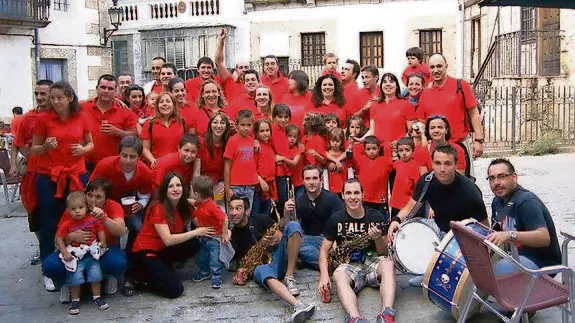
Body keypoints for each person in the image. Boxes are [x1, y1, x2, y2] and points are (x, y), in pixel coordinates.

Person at [387, 144, 488, 287]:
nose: (442, 169)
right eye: (437, 163)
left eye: (447, 163)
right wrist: (395, 220)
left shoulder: (470, 193)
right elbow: (410, 207)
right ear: (432, 163)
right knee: (413, 230)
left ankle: (441, 274)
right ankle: (427, 272)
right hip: (439, 228)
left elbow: (484, 228)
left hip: (461, 238)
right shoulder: (426, 181)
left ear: (456, 164)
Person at [31, 81, 94, 290]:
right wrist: (46, 146)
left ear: (70, 98)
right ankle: (48, 268)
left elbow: (90, 143)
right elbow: (35, 149)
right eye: (53, 98)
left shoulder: (81, 117)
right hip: (49, 176)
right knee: (50, 223)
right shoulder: (43, 119)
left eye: (59, 97)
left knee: (80, 218)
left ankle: (81, 261)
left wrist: (84, 151)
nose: (55, 101)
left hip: (76, 174)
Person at [318, 178, 398, 323]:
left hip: (372, 261)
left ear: (363, 195)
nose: (352, 197)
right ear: (342, 195)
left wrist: (378, 238)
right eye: (348, 193)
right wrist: (324, 275)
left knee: (388, 264)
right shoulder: (335, 219)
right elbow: (324, 250)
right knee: (338, 274)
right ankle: (354, 318)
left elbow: (383, 253)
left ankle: (387, 313)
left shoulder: (376, 216)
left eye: (356, 193)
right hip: (350, 266)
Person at [228, 195, 316, 322]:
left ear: (247, 211)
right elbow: (240, 264)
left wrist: (276, 239)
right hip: (266, 267)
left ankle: (289, 276)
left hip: (279, 254)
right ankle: (299, 305)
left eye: (238, 208)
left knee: (293, 225)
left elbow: (280, 234)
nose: (233, 213)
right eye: (231, 209)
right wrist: (241, 273)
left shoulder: (260, 219)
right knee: (261, 272)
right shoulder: (233, 236)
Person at [42, 177, 129, 303]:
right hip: (74, 250)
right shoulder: (75, 207)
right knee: (50, 266)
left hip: (101, 250)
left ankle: (108, 276)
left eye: (98, 197)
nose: (92, 200)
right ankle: (65, 283)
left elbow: (122, 230)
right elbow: (57, 239)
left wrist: (104, 218)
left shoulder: (113, 206)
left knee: (118, 262)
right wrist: (71, 237)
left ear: (106, 199)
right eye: (90, 195)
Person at [128, 172, 212, 298]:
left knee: (193, 244)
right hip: (147, 251)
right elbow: (168, 240)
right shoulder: (158, 207)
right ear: (165, 190)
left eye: (178, 185)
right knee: (175, 290)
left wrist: (223, 229)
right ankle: (140, 278)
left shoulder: (184, 206)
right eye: (171, 186)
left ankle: (163, 267)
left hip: (163, 249)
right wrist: (196, 232)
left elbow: (202, 224)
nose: (175, 189)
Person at [486, 158, 561, 275]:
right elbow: (496, 235)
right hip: (516, 256)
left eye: (502, 176)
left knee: (492, 272)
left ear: (514, 177)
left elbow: (544, 238)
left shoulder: (526, 202)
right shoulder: (497, 201)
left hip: (541, 264)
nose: (496, 183)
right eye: (492, 178)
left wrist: (509, 235)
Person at [10, 79, 53, 267]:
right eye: (37, 94)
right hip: (33, 173)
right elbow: (15, 145)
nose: (40, 97)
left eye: (44, 93)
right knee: (35, 214)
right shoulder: (27, 118)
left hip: (56, 172)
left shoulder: (62, 115)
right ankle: (42, 247)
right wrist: (13, 165)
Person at [417, 53, 484, 174]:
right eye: (432, 67)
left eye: (439, 66)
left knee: (464, 184)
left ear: (446, 66)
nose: (436, 70)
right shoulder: (425, 92)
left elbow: (474, 113)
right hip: (435, 148)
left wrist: (478, 140)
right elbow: (422, 121)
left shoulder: (460, 85)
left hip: (460, 144)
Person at [283, 164, 344, 294]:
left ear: (321, 180)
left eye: (315, 178)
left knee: (302, 252)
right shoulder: (299, 201)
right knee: (297, 247)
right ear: (303, 181)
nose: (311, 182)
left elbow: (341, 223)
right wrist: (286, 212)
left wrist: (335, 242)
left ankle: (313, 261)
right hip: (308, 241)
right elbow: (290, 229)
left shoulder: (332, 198)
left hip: (328, 239)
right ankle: (327, 263)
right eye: (308, 179)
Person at [89, 136, 154, 254]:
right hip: (106, 202)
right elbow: (90, 189)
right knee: (112, 231)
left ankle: (131, 256)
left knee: (138, 227)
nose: (127, 160)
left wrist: (141, 204)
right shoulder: (104, 165)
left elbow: (146, 192)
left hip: (128, 203)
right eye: (124, 155)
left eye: (132, 156)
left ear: (139, 157)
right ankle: (113, 255)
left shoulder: (145, 171)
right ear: (119, 154)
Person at [54, 191, 109, 315]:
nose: (77, 211)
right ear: (68, 210)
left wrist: (103, 241)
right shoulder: (66, 224)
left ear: (87, 207)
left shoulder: (93, 220)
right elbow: (59, 238)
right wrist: (64, 252)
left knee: (95, 275)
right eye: (73, 209)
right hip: (75, 256)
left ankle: (97, 297)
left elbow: (100, 230)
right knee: (75, 278)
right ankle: (75, 300)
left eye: (80, 207)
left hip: (91, 254)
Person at [81, 74, 138, 172]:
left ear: (115, 91)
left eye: (110, 88)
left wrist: (118, 132)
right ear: (97, 89)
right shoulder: (83, 108)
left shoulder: (125, 111)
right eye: (103, 87)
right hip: (86, 165)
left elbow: (135, 135)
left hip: (114, 165)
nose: (106, 91)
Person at [361, 72, 416, 160]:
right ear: (381, 86)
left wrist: (400, 142)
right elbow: (372, 130)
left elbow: (411, 131)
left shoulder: (406, 104)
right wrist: (361, 140)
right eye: (385, 82)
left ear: (397, 86)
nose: (388, 84)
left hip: (398, 151)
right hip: (378, 151)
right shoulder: (375, 105)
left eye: (391, 82)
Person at [191, 176, 229, 289]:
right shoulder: (200, 203)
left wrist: (224, 233)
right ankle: (204, 272)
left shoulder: (212, 206)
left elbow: (224, 218)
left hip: (214, 238)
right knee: (202, 257)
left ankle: (216, 277)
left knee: (215, 260)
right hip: (204, 237)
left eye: (193, 192)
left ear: (197, 194)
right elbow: (193, 202)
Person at [347, 136, 393, 221]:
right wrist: (359, 141)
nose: (371, 151)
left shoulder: (385, 161)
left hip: (380, 200)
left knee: (382, 223)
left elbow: (387, 145)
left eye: (374, 148)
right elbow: (350, 153)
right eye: (368, 149)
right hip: (365, 199)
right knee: (365, 222)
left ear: (379, 148)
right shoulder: (360, 159)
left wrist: (381, 142)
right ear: (364, 150)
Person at [141, 92, 187, 168]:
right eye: (161, 102)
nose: (165, 104)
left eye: (168, 101)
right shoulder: (149, 124)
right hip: (157, 167)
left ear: (173, 105)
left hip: (177, 166)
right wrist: (152, 160)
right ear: (157, 106)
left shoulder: (181, 122)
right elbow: (145, 148)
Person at [223, 109, 258, 207]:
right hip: (235, 186)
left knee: (246, 216)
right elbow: (227, 165)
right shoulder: (232, 141)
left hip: (250, 186)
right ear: (236, 125)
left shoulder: (252, 141)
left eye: (249, 125)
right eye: (242, 125)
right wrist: (227, 188)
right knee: (234, 216)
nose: (246, 128)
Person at [198, 112, 231, 209]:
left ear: (226, 126)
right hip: (203, 183)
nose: (218, 126)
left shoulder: (229, 143)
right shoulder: (201, 142)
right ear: (210, 125)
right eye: (215, 122)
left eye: (222, 123)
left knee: (218, 208)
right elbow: (196, 172)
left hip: (220, 184)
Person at [215, 28, 250, 101]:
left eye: (246, 67)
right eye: (241, 67)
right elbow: (218, 62)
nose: (244, 70)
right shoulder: (229, 82)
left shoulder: (254, 85)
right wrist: (221, 41)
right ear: (236, 70)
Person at [390, 137, 421, 217]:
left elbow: (417, 186)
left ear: (413, 151)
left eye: (407, 150)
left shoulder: (414, 165)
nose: (404, 153)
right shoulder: (396, 163)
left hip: (408, 205)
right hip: (395, 203)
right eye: (401, 150)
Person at [252, 119, 276, 217]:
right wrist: (261, 181)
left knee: (265, 216)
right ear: (256, 133)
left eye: (267, 130)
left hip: (269, 187)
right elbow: (251, 167)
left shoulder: (270, 146)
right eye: (262, 131)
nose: (265, 133)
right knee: (255, 215)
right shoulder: (256, 147)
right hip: (258, 187)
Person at [325, 128, 348, 196]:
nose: (335, 143)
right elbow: (324, 155)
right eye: (333, 141)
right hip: (330, 187)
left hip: (342, 187)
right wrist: (335, 161)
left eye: (337, 141)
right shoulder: (327, 154)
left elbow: (348, 152)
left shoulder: (344, 154)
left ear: (341, 141)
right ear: (329, 141)